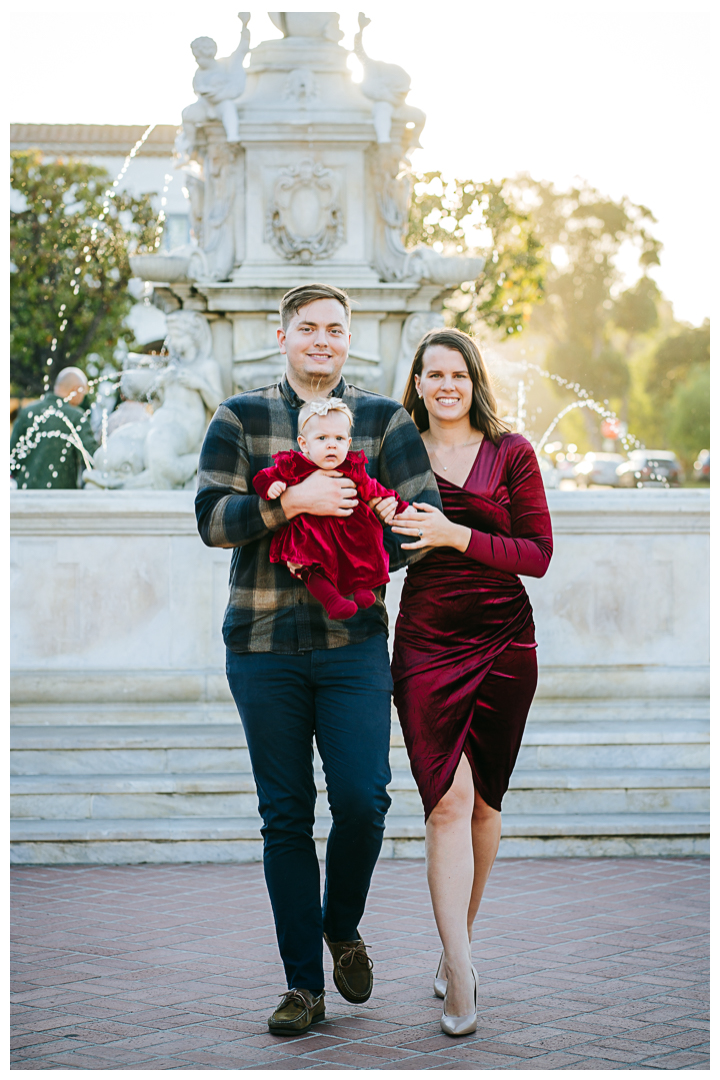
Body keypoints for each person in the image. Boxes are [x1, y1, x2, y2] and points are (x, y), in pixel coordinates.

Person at [195, 283, 440, 1035]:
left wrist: (369, 537)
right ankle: (304, 985)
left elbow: (423, 520)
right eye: (309, 328)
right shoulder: (240, 417)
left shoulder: (381, 420)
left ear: (348, 338)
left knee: (365, 799)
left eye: (335, 329)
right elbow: (210, 519)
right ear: (282, 336)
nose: (323, 340)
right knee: (285, 817)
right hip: (262, 646)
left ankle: (341, 924)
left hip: (353, 645)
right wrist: (289, 506)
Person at [390, 328, 552, 1036]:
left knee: (485, 804)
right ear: (418, 384)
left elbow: (538, 553)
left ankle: (456, 942)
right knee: (446, 804)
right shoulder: (396, 455)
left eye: (459, 373)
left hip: (505, 641)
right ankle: (460, 969)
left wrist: (455, 534)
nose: (447, 385)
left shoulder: (511, 452)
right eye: (434, 375)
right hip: (426, 641)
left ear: (474, 379)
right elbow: (382, 556)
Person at [252, 398, 408, 621]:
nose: (332, 445)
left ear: (348, 442)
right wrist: (272, 486)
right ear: (304, 444)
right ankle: (331, 600)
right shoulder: (295, 465)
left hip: (349, 526)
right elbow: (263, 477)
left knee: (367, 540)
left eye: (339, 438)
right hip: (311, 532)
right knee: (308, 564)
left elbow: (372, 488)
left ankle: (364, 588)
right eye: (322, 438)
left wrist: (396, 504)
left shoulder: (351, 467)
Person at [10, 367, 97, 490]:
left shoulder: (28, 412)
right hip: (61, 497)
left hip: (26, 494)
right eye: (83, 393)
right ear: (76, 390)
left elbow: (11, 456)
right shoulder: (76, 417)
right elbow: (92, 457)